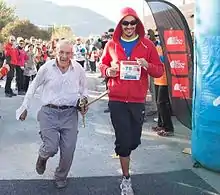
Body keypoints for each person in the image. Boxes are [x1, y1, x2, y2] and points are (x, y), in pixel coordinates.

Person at [99, 7, 163, 195]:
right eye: (125, 23)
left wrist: (147, 65)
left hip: (137, 101)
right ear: (120, 25)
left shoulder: (147, 45)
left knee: (133, 141)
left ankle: (126, 149)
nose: (128, 26)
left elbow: (159, 70)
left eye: (132, 22)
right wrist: (107, 71)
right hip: (117, 99)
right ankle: (126, 178)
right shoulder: (111, 44)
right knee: (123, 141)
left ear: (137, 24)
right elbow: (102, 64)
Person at [17, 39, 88, 189]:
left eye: (67, 53)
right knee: (51, 147)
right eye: (61, 52)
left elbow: (84, 90)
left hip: (70, 114)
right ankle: (42, 157)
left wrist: (84, 101)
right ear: (56, 52)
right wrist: (25, 106)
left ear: (72, 54)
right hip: (48, 113)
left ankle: (60, 176)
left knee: (68, 151)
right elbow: (33, 86)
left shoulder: (79, 70)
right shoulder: (46, 68)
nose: (64, 56)